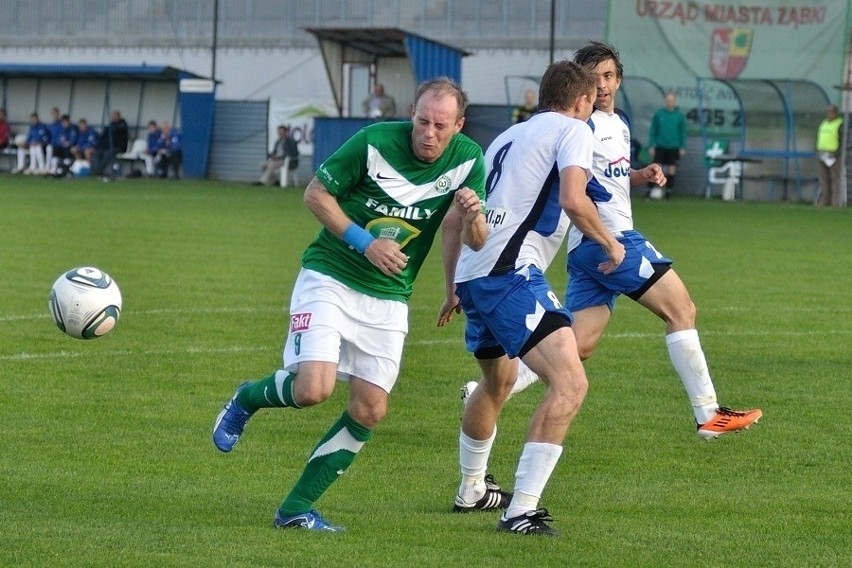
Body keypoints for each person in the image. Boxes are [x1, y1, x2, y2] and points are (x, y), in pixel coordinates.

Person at [212, 77, 488, 532]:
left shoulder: (468, 161)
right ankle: (246, 397)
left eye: (441, 125)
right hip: (330, 276)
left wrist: (474, 219)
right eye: (422, 121)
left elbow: (469, 235)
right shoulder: (373, 141)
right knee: (312, 390)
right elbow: (315, 195)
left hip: (389, 298)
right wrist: (365, 243)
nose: (429, 133)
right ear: (411, 114)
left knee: (370, 410)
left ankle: (295, 510)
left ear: (459, 125)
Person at [462, 41, 762, 441]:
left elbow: (609, 176)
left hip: (587, 251)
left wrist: (641, 174)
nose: (601, 85)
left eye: (607, 76)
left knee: (578, 346)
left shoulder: (617, 123)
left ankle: (486, 390)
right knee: (682, 310)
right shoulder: (576, 126)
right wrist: (606, 235)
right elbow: (577, 187)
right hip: (610, 239)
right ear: (580, 87)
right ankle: (709, 414)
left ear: (618, 80)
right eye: (592, 77)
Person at [438, 60, 620, 537]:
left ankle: (472, 489)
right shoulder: (574, 130)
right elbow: (575, 201)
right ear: (581, 101)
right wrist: (610, 242)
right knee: (570, 384)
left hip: (478, 277)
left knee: (496, 384)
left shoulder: (506, 137)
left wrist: (453, 284)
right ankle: (521, 510)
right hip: (511, 275)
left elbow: (457, 217)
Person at [647, 91, 686, 198]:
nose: (670, 102)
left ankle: (668, 192)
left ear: (675, 101)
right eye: (668, 100)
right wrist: (651, 145)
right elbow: (653, 130)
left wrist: (682, 147)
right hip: (660, 145)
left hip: (673, 146)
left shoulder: (679, 115)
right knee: (655, 169)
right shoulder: (659, 114)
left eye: (672, 100)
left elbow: (682, 132)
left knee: (671, 169)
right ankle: (650, 190)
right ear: (665, 101)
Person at [815, 104, 843, 207]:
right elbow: (819, 137)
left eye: (831, 112)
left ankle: (835, 202)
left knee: (835, 179)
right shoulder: (824, 123)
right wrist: (817, 148)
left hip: (833, 155)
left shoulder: (840, 124)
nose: (829, 114)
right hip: (822, 154)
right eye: (827, 112)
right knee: (823, 179)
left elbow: (842, 140)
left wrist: (836, 153)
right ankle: (824, 201)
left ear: (835, 113)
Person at [92, 110, 129, 178]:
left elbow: (120, 139)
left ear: (118, 116)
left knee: (107, 154)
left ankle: (99, 170)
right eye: (112, 116)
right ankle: (96, 170)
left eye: (114, 116)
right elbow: (103, 137)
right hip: (106, 147)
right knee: (97, 152)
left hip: (118, 147)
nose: (113, 118)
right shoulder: (110, 126)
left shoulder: (122, 126)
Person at [45, 107, 63, 175]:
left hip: (59, 145)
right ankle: (48, 167)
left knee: (50, 148)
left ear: (58, 114)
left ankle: (51, 168)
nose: (54, 114)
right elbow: (48, 136)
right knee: (48, 148)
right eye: (53, 113)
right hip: (52, 144)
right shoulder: (51, 125)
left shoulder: (61, 124)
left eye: (55, 113)